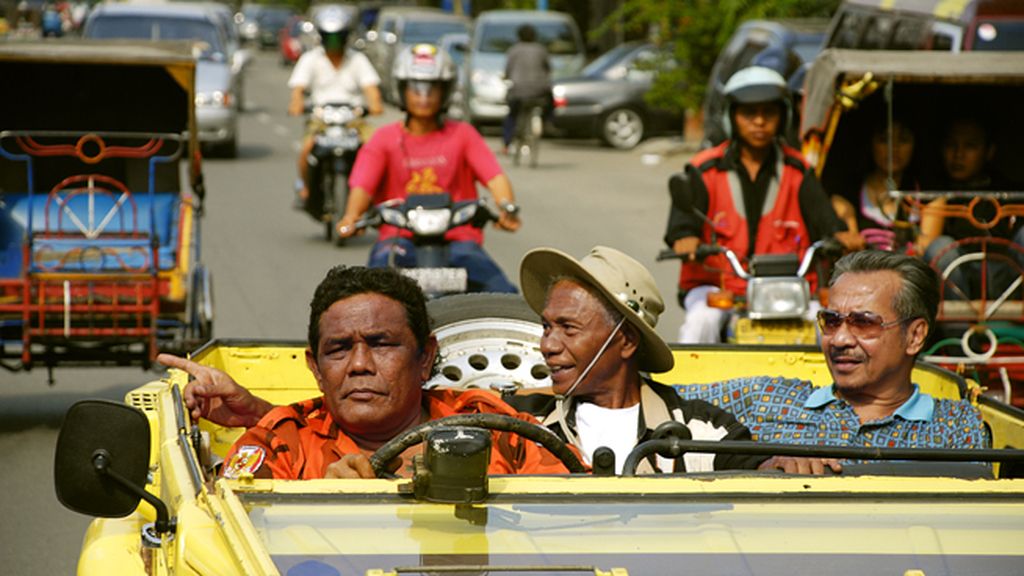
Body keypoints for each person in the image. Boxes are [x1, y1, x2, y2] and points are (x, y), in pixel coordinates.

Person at [158, 266, 570, 480]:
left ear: (425, 357)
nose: (358, 365)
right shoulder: (280, 443)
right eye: (338, 349)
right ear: (315, 369)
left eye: (381, 344)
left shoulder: (495, 426)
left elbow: (577, 518)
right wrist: (329, 505)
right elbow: (229, 546)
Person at [678, 249, 990, 472]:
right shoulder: (765, 400)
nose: (839, 339)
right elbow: (657, 398)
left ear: (915, 336)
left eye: (863, 323)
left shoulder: (956, 427)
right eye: (831, 321)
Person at [512, 246, 767, 474]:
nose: (547, 345)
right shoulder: (522, 420)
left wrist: (779, 464)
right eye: (547, 327)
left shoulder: (700, 428)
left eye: (568, 328)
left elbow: (761, 470)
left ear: (627, 340)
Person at [663, 65, 854, 344]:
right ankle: (686, 388)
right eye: (749, 113)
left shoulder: (799, 171)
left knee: (825, 328)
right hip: (719, 286)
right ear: (732, 116)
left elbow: (825, 220)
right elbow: (683, 223)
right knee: (700, 322)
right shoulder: (703, 170)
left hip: (786, 291)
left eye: (769, 112)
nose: (760, 121)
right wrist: (685, 238)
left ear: (783, 116)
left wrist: (841, 236)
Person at [335, 43, 521, 294]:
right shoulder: (383, 139)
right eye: (416, 87)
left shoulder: (463, 135)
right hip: (398, 240)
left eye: (432, 88)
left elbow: (495, 176)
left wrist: (505, 206)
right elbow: (362, 186)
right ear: (402, 90)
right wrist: (351, 216)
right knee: (370, 299)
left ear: (445, 91)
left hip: (459, 242)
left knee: (505, 298)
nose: (424, 96)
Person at [918, 115, 1024, 299]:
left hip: (1007, 279)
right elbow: (926, 245)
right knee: (940, 247)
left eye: (970, 146)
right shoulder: (935, 192)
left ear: (989, 152)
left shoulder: (1009, 192)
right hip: (959, 282)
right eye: (951, 145)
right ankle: (960, 329)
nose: (958, 154)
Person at [288, 6, 383, 207]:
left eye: (337, 37)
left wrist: (374, 105)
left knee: (374, 150)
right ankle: (305, 187)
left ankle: (374, 193)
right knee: (306, 149)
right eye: (329, 37)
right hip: (320, 120)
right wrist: (296, 104)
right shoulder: (311, 59)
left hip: (354, 121)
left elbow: (372, 89)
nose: (333, 43)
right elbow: (297, 89)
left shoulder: (358, 59)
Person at [830, 115, 921, 253]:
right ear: (870, 143)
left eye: (903, 140)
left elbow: (927, 245)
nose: (894, 148)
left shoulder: (924, 194)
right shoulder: (848, 194)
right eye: (884, 140)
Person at [502, 24, 552, 154]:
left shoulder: (514, 50)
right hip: (539, 91)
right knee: (551, 104)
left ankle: (507, 143)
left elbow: (507, 71)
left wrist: (506, 77)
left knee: (512, 115)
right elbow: (548, 68)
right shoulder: (541, 50)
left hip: (518, 91)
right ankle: (547, 124)